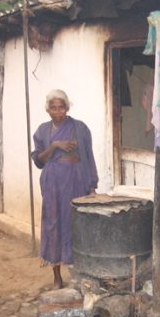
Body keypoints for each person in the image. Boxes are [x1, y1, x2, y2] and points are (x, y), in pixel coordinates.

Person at [31, 90, 98, 289]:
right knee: (53, 224)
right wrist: (55, 146)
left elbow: (89, 156)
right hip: (53, 184)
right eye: (53, 107)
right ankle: (57, 276)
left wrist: (92, 183)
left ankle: (80, 274)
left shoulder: (79, 128)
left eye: (61, 107)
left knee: (75, 225)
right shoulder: (43, 131)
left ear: (67, 108)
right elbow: (38, 160)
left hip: (76, 180)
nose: (58, 111)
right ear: (48, 110)